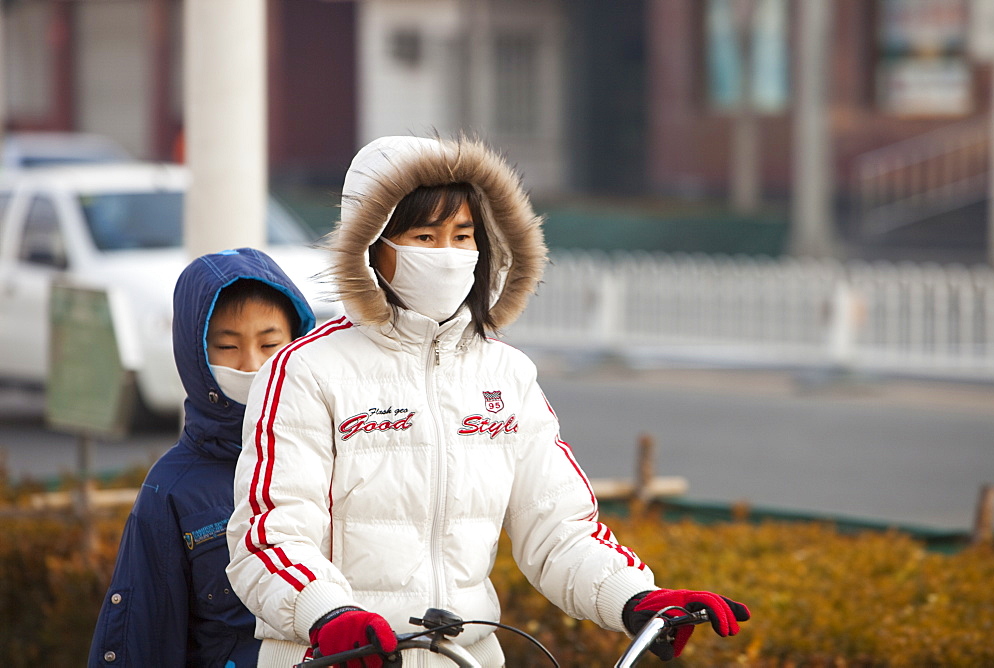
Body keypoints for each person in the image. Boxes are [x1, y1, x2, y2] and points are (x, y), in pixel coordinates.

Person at [227, 136, 750, 667]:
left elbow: (558, 527)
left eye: (462, 236)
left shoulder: (505, 373)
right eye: (425, 236)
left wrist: (637, 598)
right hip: (341, 657)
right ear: (372, 243)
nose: (448, 256)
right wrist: (328, 614)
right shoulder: (306, 370)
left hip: (467, 657)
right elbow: (269, 535)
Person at [89, 248, 316, 667]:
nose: (252, 365)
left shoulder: (330, 453)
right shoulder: (172, 490)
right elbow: (142, 641)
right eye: (228, 346)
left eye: (270, 343)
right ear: (195, 356)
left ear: (299, 343)